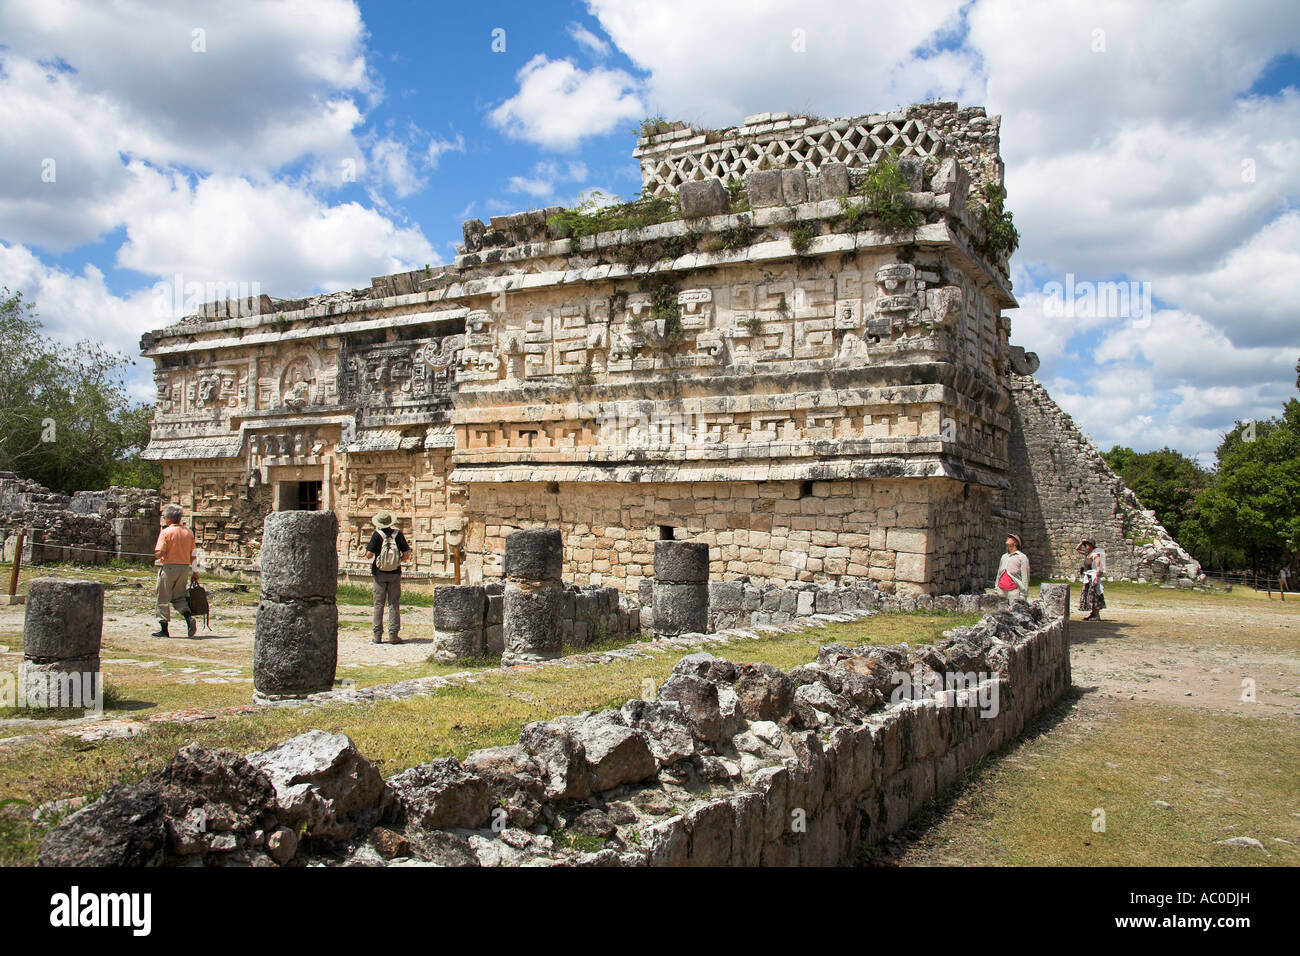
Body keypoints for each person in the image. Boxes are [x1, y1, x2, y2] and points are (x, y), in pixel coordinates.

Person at [365, 510, 412, 644]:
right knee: (393, 604)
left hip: (379, 573)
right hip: (394, 573)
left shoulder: (376, 535)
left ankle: (377, 635)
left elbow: (368, 554)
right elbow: (407, 553)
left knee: (378, 604)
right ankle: (393, 635)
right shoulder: (398, 535)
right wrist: (398, 561)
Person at [152, 504, 199, 638]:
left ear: (168, 519)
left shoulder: (166, 532)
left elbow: (160, 551)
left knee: (163, 597)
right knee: (179, 597)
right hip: (184, 568)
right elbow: (194, 554)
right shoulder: (188, 533)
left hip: (169, 568)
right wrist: (195, 572)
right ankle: (188, 618)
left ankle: (164, 629)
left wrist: (158, 555)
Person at [995, 533, 1030, 602]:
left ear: (1016, 543)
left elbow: (1025, 577)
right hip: (1001, 591)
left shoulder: (1022, 557)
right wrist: (996, 588)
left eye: (1010, 537)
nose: (1008, 538)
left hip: (1014, 592)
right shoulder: (1004, 556)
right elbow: (999, 574)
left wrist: (1023, 595)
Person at [1077, 538, 1106, 620]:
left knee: (1095, 595)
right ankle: (1092, 613)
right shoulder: (1087, 554)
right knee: (1089, 595)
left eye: (1087, 544)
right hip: (1088, 577)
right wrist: (1081, 542)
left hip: (1093, 577)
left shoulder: (1095, 555)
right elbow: (1077, 549)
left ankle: (1096, 614)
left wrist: (1096, 578)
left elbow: (1098, 567)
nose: (1086, 546)